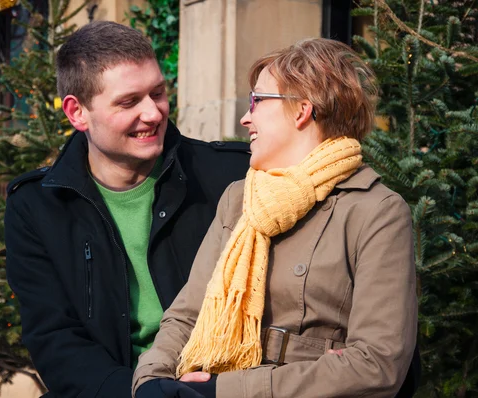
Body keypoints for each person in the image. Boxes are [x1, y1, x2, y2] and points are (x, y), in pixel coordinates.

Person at [132, 38, 418, 398]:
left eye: (257, 100)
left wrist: (224, 390)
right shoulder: (240, 198)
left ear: (301, 110)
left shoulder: (375, 211)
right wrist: (152, 381)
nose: (245, 117)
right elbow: (189, 313)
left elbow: (376, 362)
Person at [4, 21, 250, 398]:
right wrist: (140, 391)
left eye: (158, 93)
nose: (153, 113)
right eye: (129, 101)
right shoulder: (37, 206)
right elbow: (55, 339)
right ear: (77, 112)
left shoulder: (229, 176)